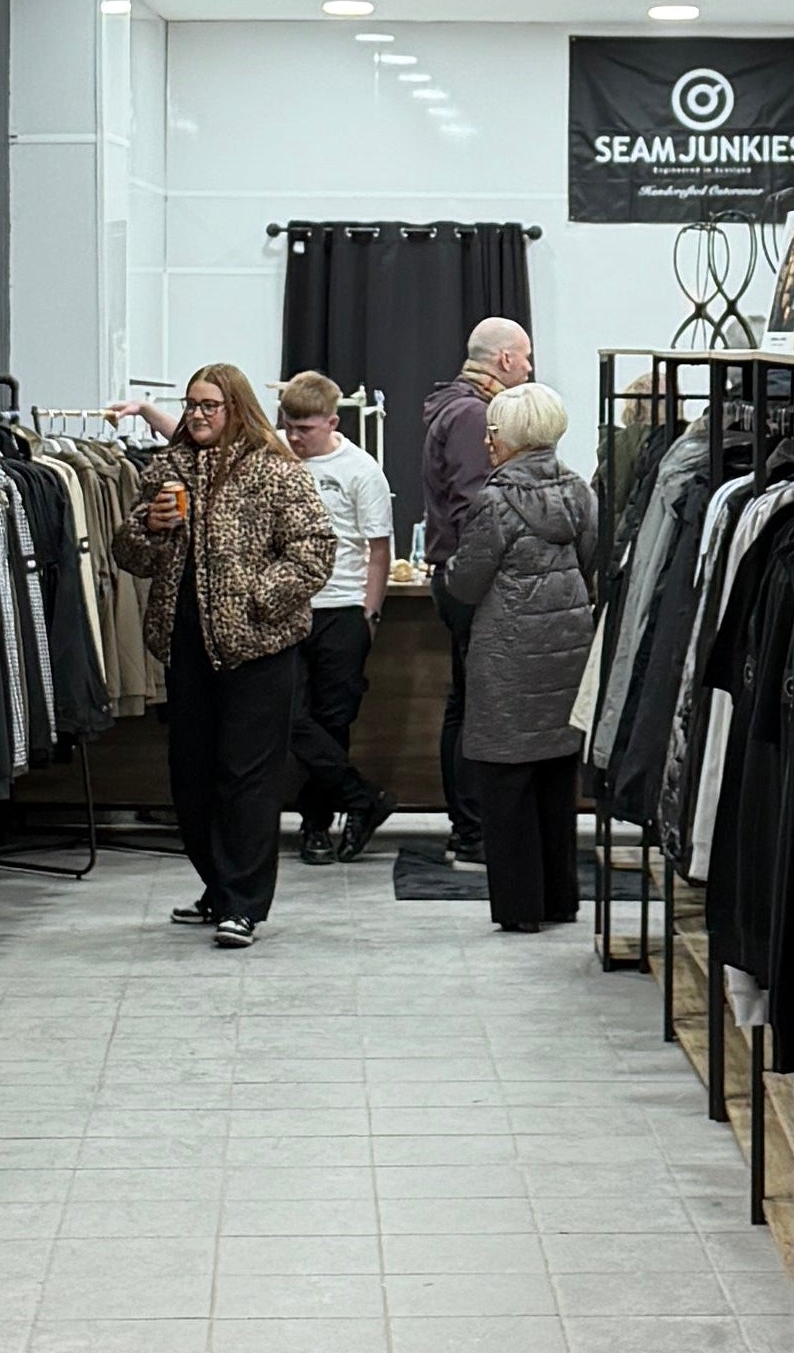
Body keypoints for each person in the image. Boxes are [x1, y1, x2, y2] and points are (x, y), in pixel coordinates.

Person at [106, 364, 335, 948]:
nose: (199, 415)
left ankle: (244, 904)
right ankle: (218, 885)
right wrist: (150, 529)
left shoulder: (275, 469)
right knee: (192, 780)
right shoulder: (168, 466)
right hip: (186, 650)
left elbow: (314, 550)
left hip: (258, 650)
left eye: (210, 405)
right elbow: (129, 552)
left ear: (236, 407)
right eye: (191, 405)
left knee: (248, 779)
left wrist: (260, 599)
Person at [437, 381, 598, 935]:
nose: (486, 441)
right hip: (567, 648)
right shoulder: (579, 492)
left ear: (515, 437)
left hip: (508, 654)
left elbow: (468, 580)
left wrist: (444, 574)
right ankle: (560, 899)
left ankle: (520, 907)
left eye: (493, 431)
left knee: (505, 783)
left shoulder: (496, 501)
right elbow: (591, 560)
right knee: (557, 776)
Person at [272, 372, 398, 866]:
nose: (296, 438)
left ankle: (316, 827)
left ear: (332, 421)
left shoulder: (361, 471)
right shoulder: (276, 458)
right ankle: (364, 798)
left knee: (333, 720)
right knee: (288, 716)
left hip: (342, 607)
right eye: (289, 427)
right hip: (286, 607)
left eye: (305, 428)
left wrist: (369, 613)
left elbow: (378, 549)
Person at [421, 316, 532, 863]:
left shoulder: (457, 406)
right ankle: (471, 832)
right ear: (506, 360)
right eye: (526, 358)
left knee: (468, 703)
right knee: (472, 707)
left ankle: (472, 828)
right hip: (470, 577)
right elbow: (473, 505)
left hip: (459, 573)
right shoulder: (472, 415)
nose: (531, 369)